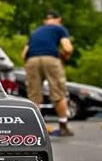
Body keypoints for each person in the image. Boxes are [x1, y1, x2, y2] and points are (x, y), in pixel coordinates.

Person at [22, 9, 75, 137]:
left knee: (34, 96)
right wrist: (64, 56)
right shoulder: (59, 29)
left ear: (44, 21)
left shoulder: (36, 32)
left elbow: (23, 54)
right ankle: (63, 127)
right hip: (51, 59)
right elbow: (67, 47)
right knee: (58, 93)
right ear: (59, 20)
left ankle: (35, 128)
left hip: (31, 60)